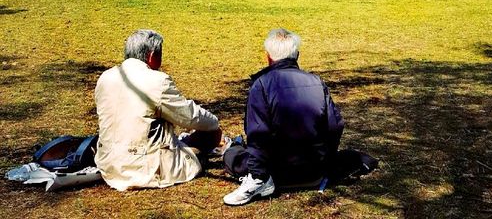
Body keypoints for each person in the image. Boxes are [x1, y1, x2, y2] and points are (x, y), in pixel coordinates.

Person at [222, 28, 344, 206]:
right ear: (297, 55)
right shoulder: (317, 82)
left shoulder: (261, 85)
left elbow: (258, 135)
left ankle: (256, 178)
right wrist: (326, 158)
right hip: (315, 171)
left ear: (268, 57)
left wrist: (258, 174)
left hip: (276, 173)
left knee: (232, 155)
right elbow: (335, 126)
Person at [94, 29, 221, 191]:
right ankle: (192, 158)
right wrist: (215, 122)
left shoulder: (105, 77)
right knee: (213, 132)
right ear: (152, 56)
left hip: (108, 164)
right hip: (145, 169)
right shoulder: (157, 81)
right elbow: (191, 117)